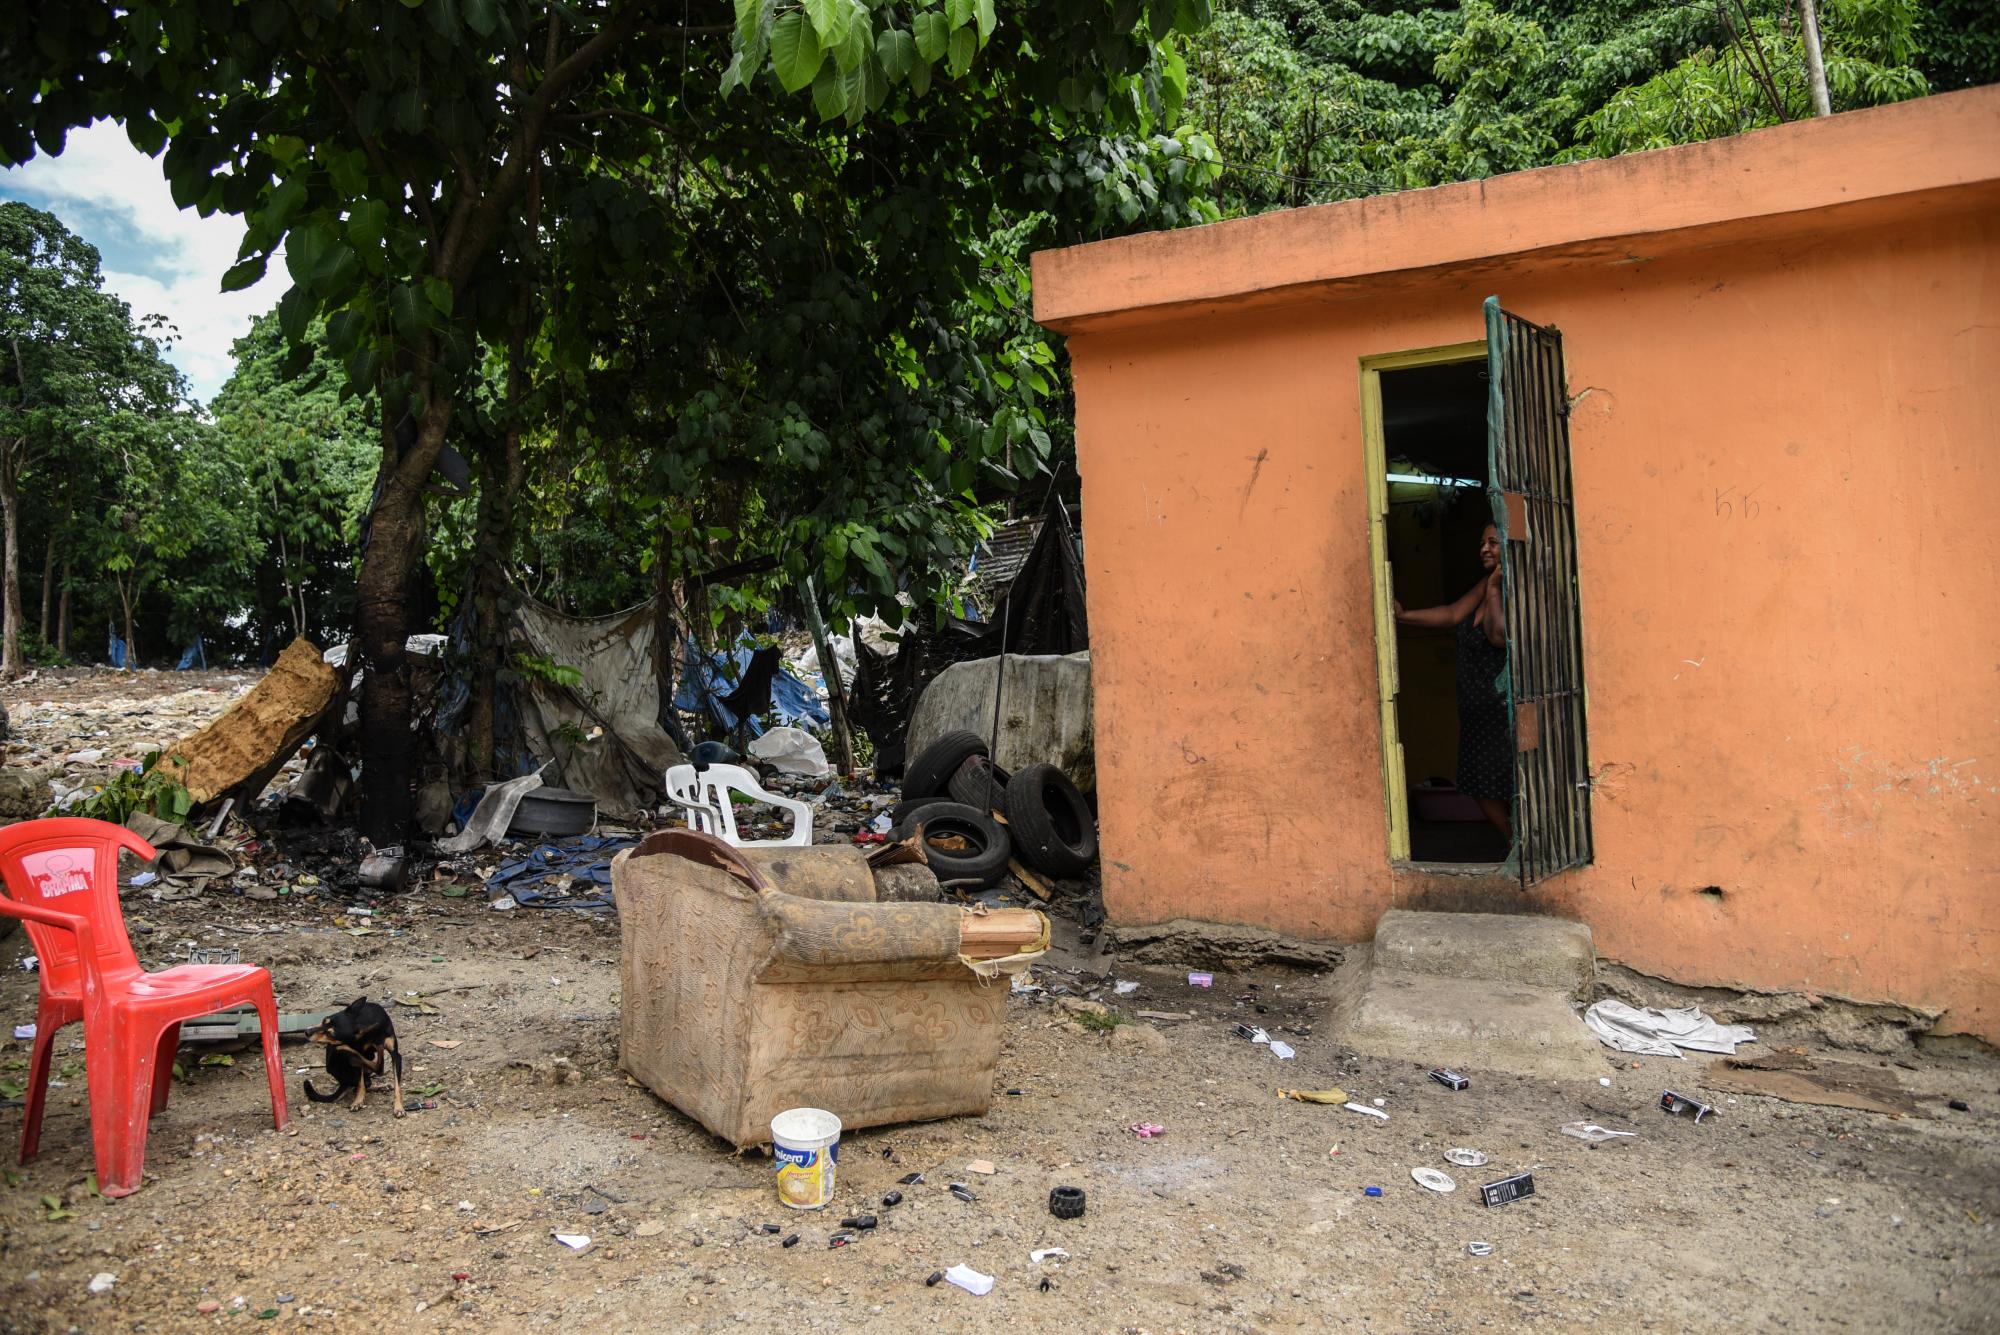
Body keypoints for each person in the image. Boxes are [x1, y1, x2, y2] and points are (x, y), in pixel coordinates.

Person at [1394, 523, 1511, 842]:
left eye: (1493, 543)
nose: (1484, 549)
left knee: (1503, 785)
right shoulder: (1486, 582)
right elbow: (1451, 613)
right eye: (1482, 543)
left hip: (1502, 713)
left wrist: (1495, 592)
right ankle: (1516, 845)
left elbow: (1497, 635)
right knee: (1480, 785)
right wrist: (1403, 616)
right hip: (1476, 714)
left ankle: (1518, 846)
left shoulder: (1516, 590)